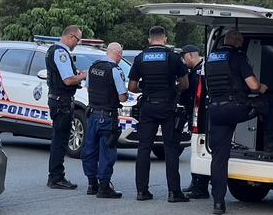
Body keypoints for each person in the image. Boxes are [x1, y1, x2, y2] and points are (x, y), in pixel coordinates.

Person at [205, 30, 273, 215]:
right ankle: (271, 145)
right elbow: (253, 85)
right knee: (269, 102)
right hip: (236, 109)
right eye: (242, 41)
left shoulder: (211, 58)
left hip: (216, 110)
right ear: (237, 41)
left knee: (219, 158)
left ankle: (218, 203)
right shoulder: (238, 57)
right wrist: (263, 87)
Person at [128, 26, 189, 202]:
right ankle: (174, 192)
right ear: (165, 39)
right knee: (171, 148)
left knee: (144, 148)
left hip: (147, 107)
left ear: (149, 40)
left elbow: (132, 87)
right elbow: (184, 84)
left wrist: (145, 88)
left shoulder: (140, 58)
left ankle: (141, 191)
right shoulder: (173, 57)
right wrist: (173, 90)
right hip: (168, 107)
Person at [81, 42, 127, 199]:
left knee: (90, 149)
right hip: (107, 116)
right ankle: (104, 186)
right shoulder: (115, 70)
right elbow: (122, 96)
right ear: (119, 54)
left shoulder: (93, 67)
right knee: (107, 151)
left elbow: (87, 87)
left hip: (92, 114)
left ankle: (91, 183)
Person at [45, 25, 87, 190]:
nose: (77, 43)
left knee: (58, 139)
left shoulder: (52, 50)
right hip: (62, 102)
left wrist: (77, 75)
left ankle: (55, 176)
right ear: (71, 36)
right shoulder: (61, 53)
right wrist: (83, 75)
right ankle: (56, 177)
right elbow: (68, 80)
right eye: (77, 40)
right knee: (60, 141)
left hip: (57, 100)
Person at [179, 44, 210, 199]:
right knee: (195, 149)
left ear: (190, 55)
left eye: (184, 57)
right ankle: (195, 182)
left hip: (201, 118)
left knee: (199, 150)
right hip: (196, 116)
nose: (184, 61)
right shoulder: (196, 70)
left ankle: (201, 186)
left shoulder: (200, 72)